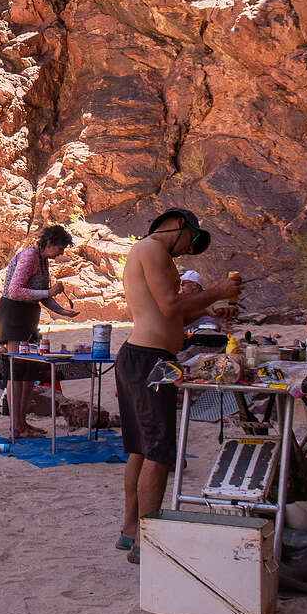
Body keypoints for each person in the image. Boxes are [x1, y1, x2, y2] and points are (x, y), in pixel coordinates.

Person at [115, 208, 241, 562]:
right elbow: (170, 306)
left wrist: (208, 310)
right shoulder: (153, 248)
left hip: (142, 358)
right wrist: (218, 290)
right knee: (159, 452)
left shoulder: (149, 252)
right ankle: (146, 541)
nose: (188, 250)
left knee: (142, 449)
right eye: (191, 242)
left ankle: (130, 530)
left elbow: (170, 312)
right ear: (180, 226)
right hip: (148, 361)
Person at [0, 224, 79, 438]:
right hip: (14, 314)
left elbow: (42, 295)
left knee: (27, 372)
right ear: (49, 242)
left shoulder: (42, 259)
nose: (61, 253)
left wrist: (62, 311)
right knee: (17, 371)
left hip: (27, 316)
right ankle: (16, 426)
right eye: (60, 248)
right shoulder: (29, 256)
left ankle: (23, 423)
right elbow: (14, 290)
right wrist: (49, 291)